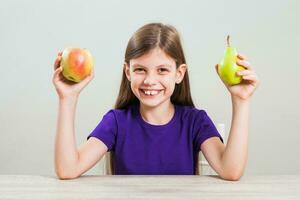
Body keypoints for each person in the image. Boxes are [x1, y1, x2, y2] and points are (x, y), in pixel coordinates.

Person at [52, 23, 259, 180]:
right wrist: (67, 98)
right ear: (128, 72)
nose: (150, 80)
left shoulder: (195, 121)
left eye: (162, 70)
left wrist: (241, 100)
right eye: (140, 69)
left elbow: (230, 171)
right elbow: (68, 169)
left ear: (179, 74)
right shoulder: (116, 122)